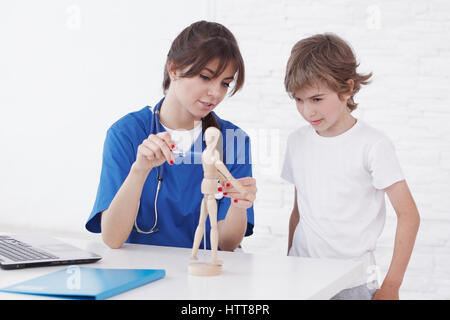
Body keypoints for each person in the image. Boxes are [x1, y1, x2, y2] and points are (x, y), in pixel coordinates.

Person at [86, 21, 257, 253]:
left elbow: (226, 245)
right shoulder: (126, 133)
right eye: (206, 77)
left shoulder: (233, 140)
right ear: (174, 69)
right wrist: (139, 170)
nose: (216, 93)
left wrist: (240, 204)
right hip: (141, 273)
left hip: (206, 275)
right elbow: (112, 239)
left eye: (225, 83)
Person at [281, 33, 420, 300]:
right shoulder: (297, 142)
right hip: (301, 278)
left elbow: (409, 215)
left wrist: (391, 285)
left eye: (317, 99)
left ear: (346, 89)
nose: (307, 111)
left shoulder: (373, 145)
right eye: (299, 100)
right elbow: (299, 211)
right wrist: (288, 262)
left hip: (352, 283)